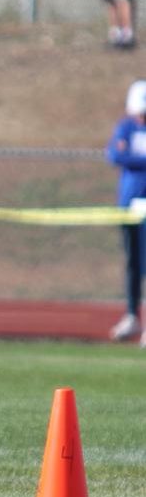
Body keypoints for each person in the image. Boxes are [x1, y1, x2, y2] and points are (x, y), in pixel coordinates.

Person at [105, 78, 146, 344]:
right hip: (129, 206)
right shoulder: (126, 127)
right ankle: (132, 315)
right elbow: (115, 155)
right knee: (133, 262)